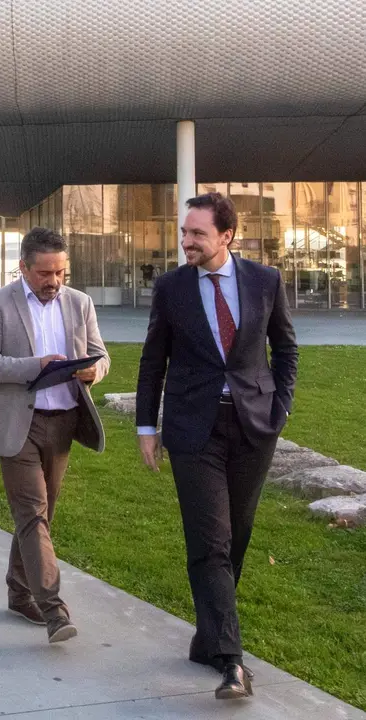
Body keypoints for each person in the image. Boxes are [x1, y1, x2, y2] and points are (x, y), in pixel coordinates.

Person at [136, 192, 297, 701]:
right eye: (184, 233)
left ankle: (208, 638)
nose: (186, 242)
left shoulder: (265, 281)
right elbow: (152, 360)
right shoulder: (172, 288)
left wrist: (280, 408)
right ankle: (232, 662)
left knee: (237, 538)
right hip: (192, 429)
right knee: (210, 541)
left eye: (196, 234)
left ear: (226, 236)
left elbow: (286, 347)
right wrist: (146, 426)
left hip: (253, 426)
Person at [0, 226, 110, 644]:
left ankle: (18, 591)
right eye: (45, 274)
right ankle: (53, 609)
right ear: (23, 268)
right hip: (19, 426)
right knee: (32, 513)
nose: (54, 282)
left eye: (61, 273)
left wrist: (94, 370)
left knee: (40, 516)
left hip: (65, 421)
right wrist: (37, 366)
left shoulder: (80, 303)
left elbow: (101, 354)